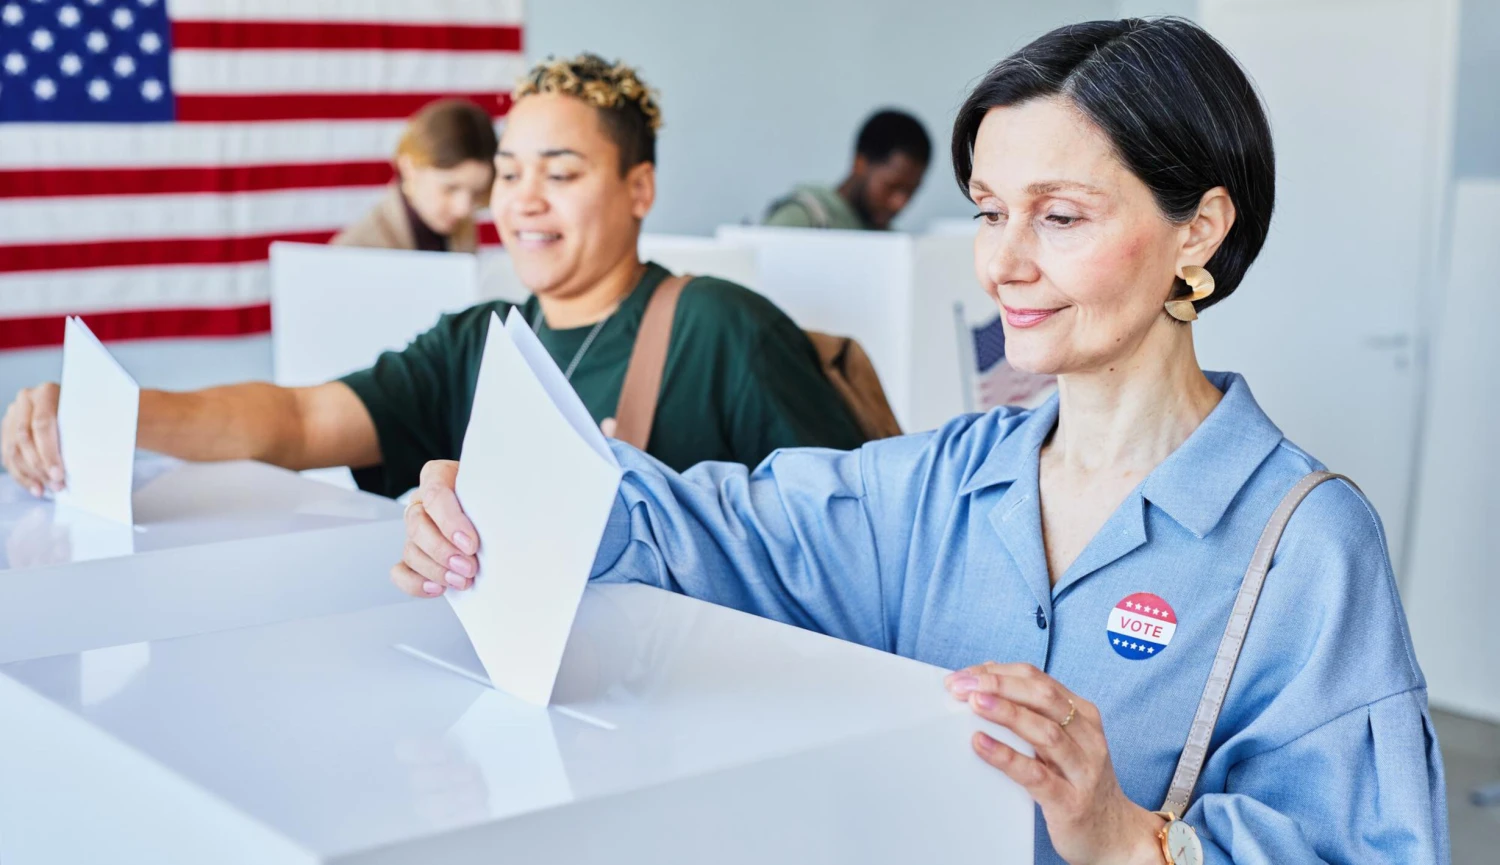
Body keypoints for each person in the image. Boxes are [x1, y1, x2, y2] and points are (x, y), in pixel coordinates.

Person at [398, 19, 1449, 864]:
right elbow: (702, 525)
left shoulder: (1305, 541)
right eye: (991, 211)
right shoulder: (945, 480)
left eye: (1062, 217)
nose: (1003, 264)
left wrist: (1133, 842)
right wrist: (494, 492)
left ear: (1200, 230)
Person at [1, 55, 866, 514]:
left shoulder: (721, 326)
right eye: (511, 171)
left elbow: (852, 522)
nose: (522, 200)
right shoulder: (477, 339)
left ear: (639, 189)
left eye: (559, 173)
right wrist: (106, 412)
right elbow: (298, 419)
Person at [333, 97, 499, 253]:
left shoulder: (463, 230)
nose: (463, 209)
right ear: (409, 168)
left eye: (476, 192)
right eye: (450, 188)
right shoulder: (355, 250)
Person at [763, 108, 931, 231]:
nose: (899, 203)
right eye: (891, 186)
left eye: (911, 192)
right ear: (860, 163)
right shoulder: (801, 218)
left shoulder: (892, 241)